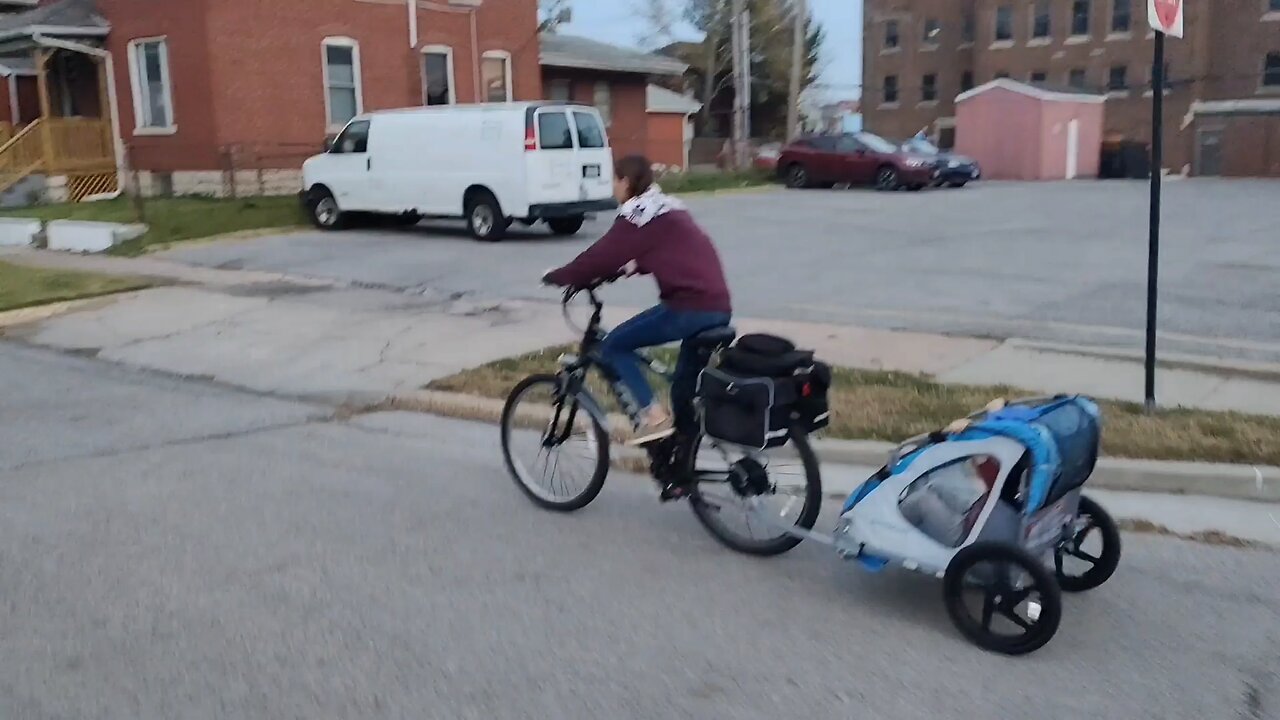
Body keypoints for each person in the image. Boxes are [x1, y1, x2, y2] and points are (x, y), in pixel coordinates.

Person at [542, 155, 732, 446]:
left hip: (688, 308)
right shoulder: (665, 208)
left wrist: (561, 275)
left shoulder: (637, 213)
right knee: (683, 388)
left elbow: (601, 255)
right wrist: (629, 267)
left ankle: (653, 417)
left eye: (613, 180)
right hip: (716, 306)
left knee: (613, 345)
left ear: (625, 182)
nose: (612, 187)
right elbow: (670, 250)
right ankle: (681, 467)